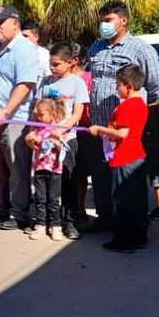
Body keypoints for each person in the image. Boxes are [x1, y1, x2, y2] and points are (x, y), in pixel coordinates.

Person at [87, 0, 159, 231]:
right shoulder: (96, 48)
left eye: (108, 20)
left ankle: (127, 224)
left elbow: (155, 85)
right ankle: (105, 218)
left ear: (123, 20)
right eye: (102, 21)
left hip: (124, 130)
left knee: (125, 180)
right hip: (99, 126)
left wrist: (137, 115)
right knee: (100, 175)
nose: (104, 25)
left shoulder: (141, 49)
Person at [0, 5, 40, 230]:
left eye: (1, 22)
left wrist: (5, 111)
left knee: (17, 169)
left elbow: (24, 84)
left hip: (15, 118)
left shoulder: (24, 49)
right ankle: (0, 207)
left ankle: (19, 213)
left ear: (15, 23)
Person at [27, 42, 89, 239]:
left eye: (57, 64)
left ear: (70, 63)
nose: (52, 68)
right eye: (51, 64)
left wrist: (61, 130)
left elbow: (77, 113)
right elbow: (36, 112)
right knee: (44, 183)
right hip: (44, 141)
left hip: (66, 140)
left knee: (68, 182)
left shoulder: (77, 83)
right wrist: (31, 132)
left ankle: (68, 221)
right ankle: (42, 221)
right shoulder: (45, 83)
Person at [89, 64, 149, 252]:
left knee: (123, 201)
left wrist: (99, 129)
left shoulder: (128, 106)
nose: (117, 88)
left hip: (125, 158)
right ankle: (139, 237)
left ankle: (123, 241)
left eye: (118, 85)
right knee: (138, 200)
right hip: (137, 156)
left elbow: (122, 133)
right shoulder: (141, 105)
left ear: (129, 86)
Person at [26, 98, 68, 241]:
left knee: (54, 199)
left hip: (55, 169)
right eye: (37, 114)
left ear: (53, 114)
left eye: (41, 114)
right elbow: (33, 145)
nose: (38, 117)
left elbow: (62, 148)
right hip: (39, 168)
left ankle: (55, 225)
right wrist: (30, 141)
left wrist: (53, 140)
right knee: (40, 198)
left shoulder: (58, 129)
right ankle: (40, 224)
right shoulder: (37, 129)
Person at [71, 43, 92, 223]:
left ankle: (80, 207)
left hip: (84, 131)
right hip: (65, 132)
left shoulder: (88, 79)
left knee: (81, 173)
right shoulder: (58, 79)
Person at [141, 99, 159, 220]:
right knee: (142, 177)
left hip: (157, 147)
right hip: (143, 145)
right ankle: (143, 206)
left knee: (158, 177)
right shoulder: (140, 103)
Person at [20, 20, 51, 86]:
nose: (21, 39)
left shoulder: (45, 55)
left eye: (25, 36)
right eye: (20, 36)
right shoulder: (14, 53)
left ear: (36, 37)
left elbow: (50, 80)